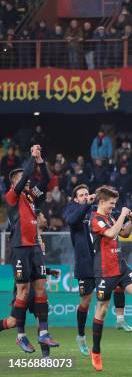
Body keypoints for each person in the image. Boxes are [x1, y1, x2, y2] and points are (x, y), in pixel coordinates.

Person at [88, 186, 132, 371]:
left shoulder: (110, 217)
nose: (113, 206)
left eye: (115, 204)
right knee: (101, 310)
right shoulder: (95, 219)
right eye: (111, 203)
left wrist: (131, 222)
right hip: (104, 271)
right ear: (101, 202)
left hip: (121, 267)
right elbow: (110, 233)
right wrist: (123, 214)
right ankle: (95, 351)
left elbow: (123, 234)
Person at [63, 184, 132, 356]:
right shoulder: (74, 210)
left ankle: (120, 319)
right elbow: (71, 221)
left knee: (118, 282)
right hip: (85, 265)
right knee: (86, 302)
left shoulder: (97, 211)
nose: (84, 196)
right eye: (81, 195)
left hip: (102, 260)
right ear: (75, 199)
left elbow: (118, 217)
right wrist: (86, 205)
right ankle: (81, 336)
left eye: (87, 194)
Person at [0, 145, 59, 352]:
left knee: (41, 287)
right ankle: (20, 334)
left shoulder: (32, 197)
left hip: (34, 246)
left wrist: (40, 160)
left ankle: (43, 333)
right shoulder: (11, 197)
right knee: (23, 291)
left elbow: (46, 180)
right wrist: (31, 159)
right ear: (13, 183)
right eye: (18, 178)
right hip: (19, 248)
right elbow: (26, 176)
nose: (23, 180)